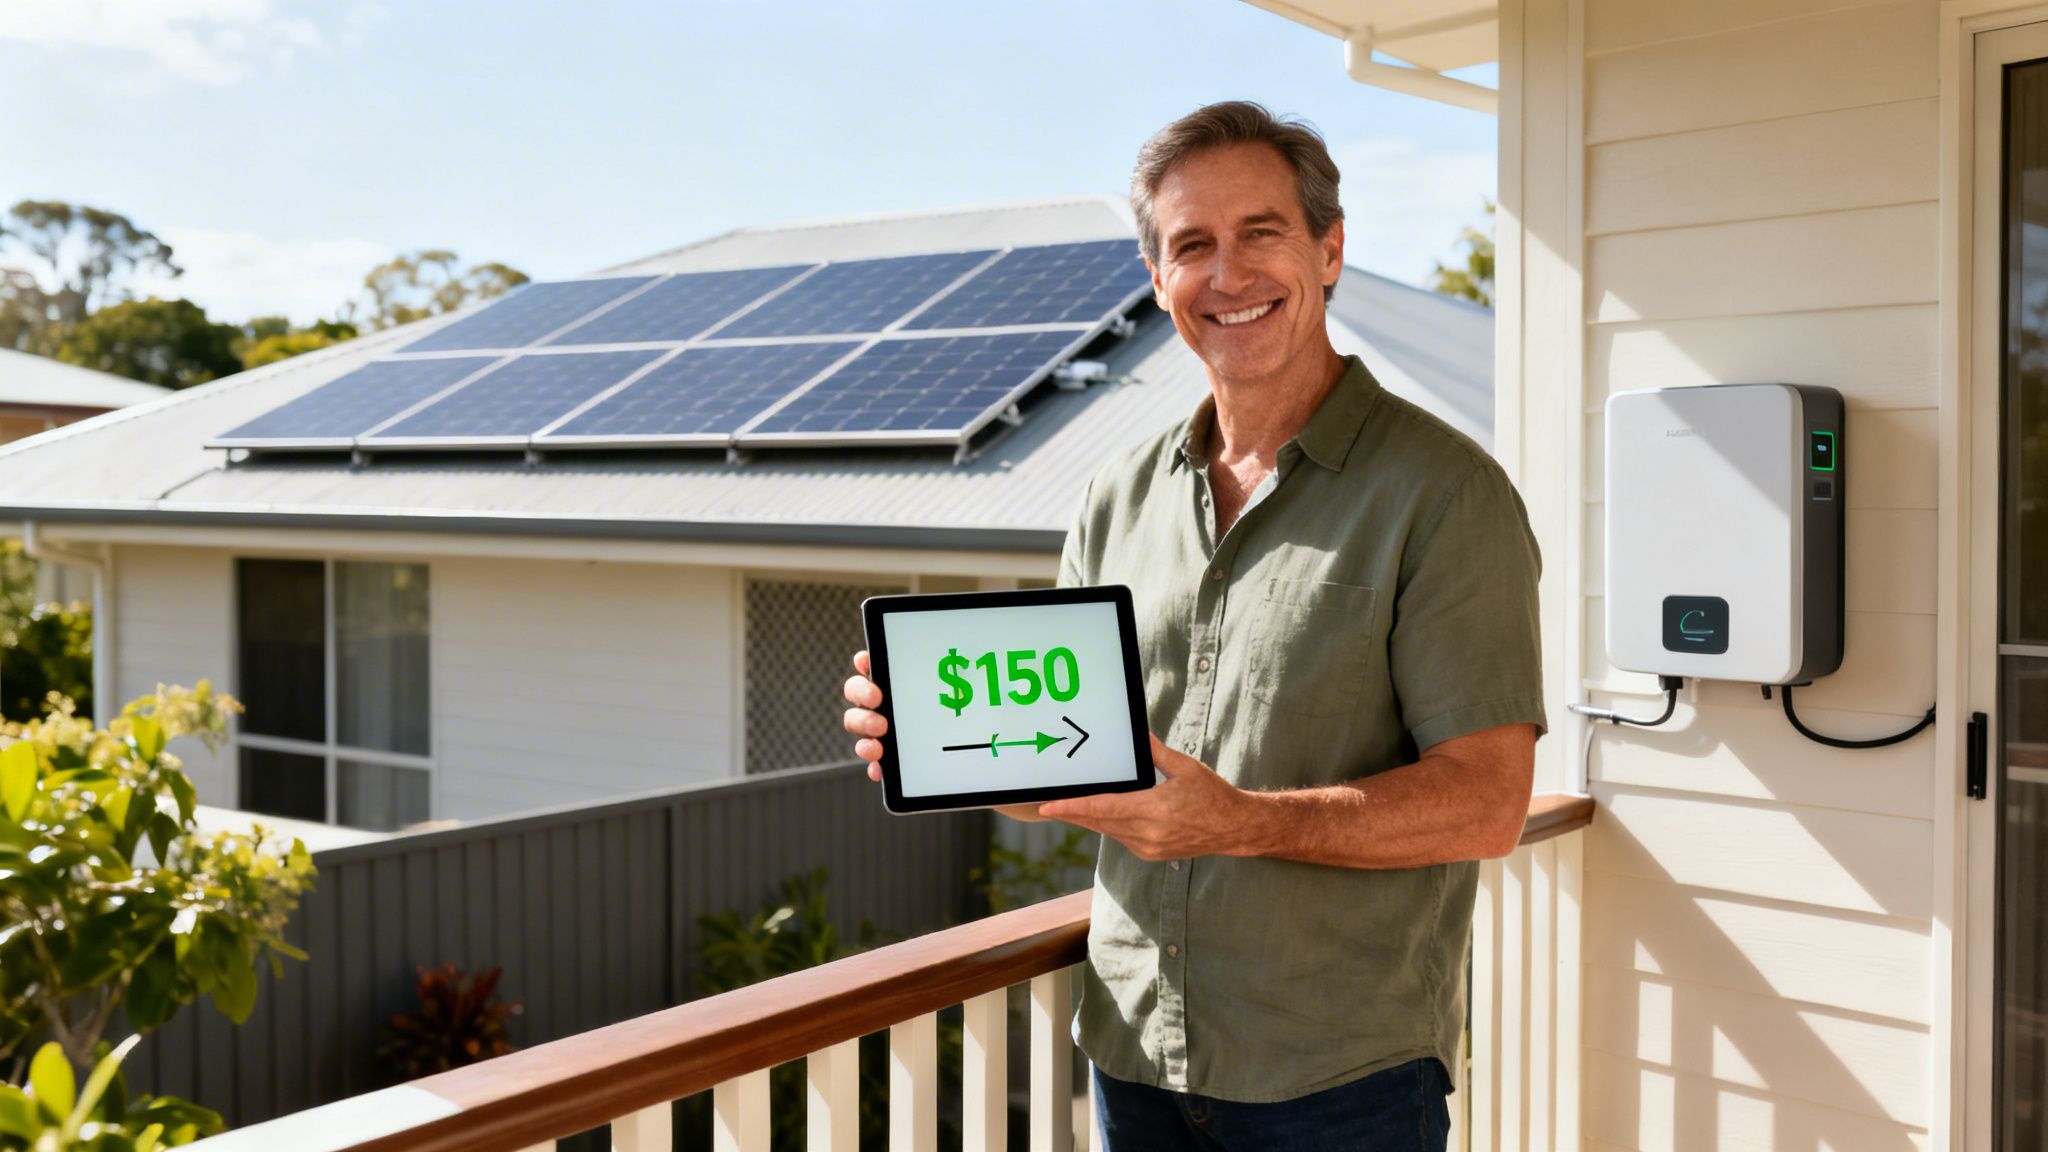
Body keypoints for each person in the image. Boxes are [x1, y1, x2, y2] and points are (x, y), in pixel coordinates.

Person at [843, 101, 1544, 1151]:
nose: (1226, 275)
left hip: (1336, 1078)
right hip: (1133, 1055)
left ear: (1329, 249)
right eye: (1190, 246)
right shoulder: (1115, 498)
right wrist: (946, 743)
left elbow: (1485, 804)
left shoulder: (1443, 494)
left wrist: (1242, 820)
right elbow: (1074, 760)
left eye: (1259, 232)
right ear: (1157, 276)